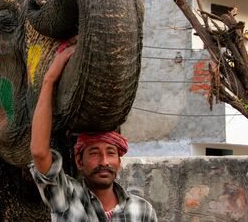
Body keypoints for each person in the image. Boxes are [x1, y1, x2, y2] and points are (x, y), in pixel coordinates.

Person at [29, 46, 157, 221]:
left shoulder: (142, 210)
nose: (104, 161)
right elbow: (39, 152)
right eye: (94, 153)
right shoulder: (67, 197)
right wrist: (49, 80)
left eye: (111, 153)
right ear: (79, 161)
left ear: (119, 162)